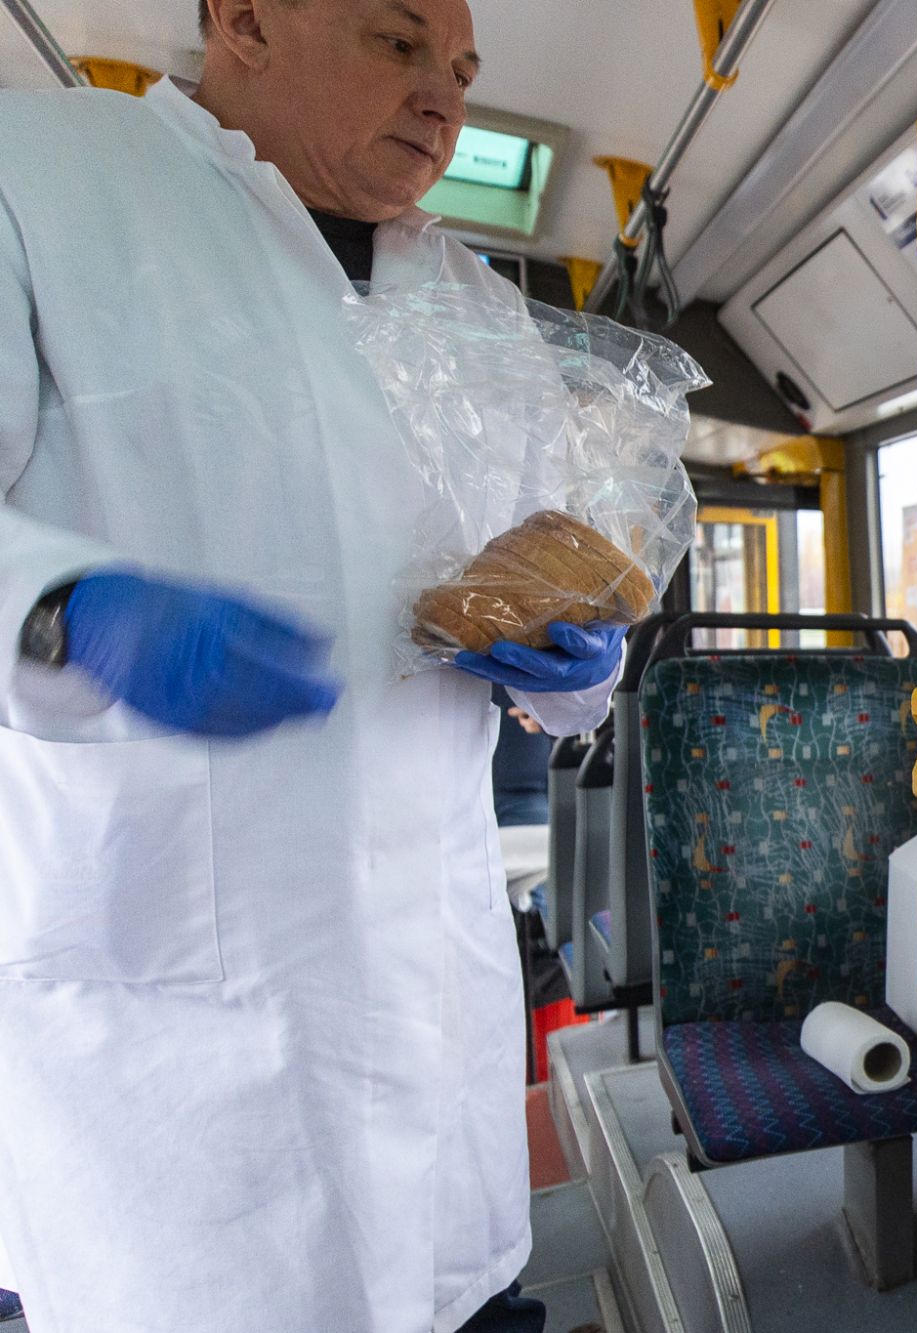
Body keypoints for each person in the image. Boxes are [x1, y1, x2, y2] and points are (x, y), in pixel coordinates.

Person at [0, 3, 632, 1330]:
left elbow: (544, 637)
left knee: (451, 1289)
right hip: (173, 1062)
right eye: (397, 42)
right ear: (243, 20)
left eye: (461, 71)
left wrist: (577, 668)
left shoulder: (476, 312)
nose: (443, 98)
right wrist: (64, 609)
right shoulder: (43, 178)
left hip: (435, 1020)